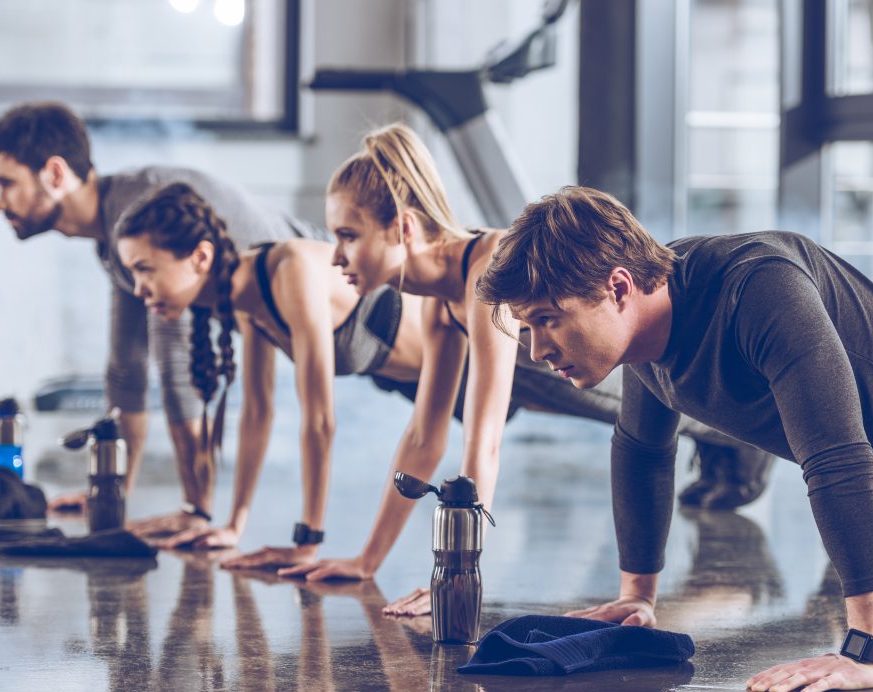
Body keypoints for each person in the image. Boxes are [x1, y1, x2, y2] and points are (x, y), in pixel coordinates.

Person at [475, 185, 873, 692]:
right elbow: (642, 450)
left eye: (548, 319)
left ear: (619, 286)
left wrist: (869, 648)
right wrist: (637, 596)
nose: (537, 350)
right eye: (527, 329)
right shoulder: (648, 340)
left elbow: (839, 459)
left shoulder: (759, 290)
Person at [280, 124, 769, 617]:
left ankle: (747, 453)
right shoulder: (436, 299)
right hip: (568, 388)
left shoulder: (483, 272)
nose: (336, 255)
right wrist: (368, 562)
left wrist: (458, 575)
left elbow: (483, 441)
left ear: (404, 228)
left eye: (348, 235)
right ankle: (734, 459)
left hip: (628, 376)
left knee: (706, 415)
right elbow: (424, 438)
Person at [0, 101, 323, 528]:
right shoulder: (114, 236)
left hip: (369, 311)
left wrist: (196, 512)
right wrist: (108, 493)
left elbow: (176, 368)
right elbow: (127, 371)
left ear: (54, 174)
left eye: (6, 183)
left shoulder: (138, 213)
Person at [113, 181, 424, 566]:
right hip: (412, 380)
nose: (138, 290)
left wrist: (307, 541)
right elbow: (257, 414)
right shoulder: (246, 298)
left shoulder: (290, 271)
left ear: (200, 257)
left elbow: (320, 420)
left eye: (145, 270)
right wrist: (234, 526)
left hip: (478, 361)